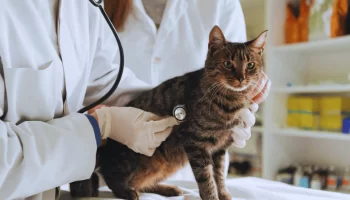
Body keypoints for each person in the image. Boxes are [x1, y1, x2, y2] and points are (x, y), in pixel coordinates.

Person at [0, 1, 270, 200]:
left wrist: (208, 112)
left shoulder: (82, 7)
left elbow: (106, 83)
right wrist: (98, 126)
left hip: (161, 166)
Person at [103, 0, 271, 181]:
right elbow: (92, 82)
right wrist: (104, 122)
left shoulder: (221, 3)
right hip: (120, 164)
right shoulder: (97, 5)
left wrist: (248, 96)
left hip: (191, 175)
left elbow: (241, 61)